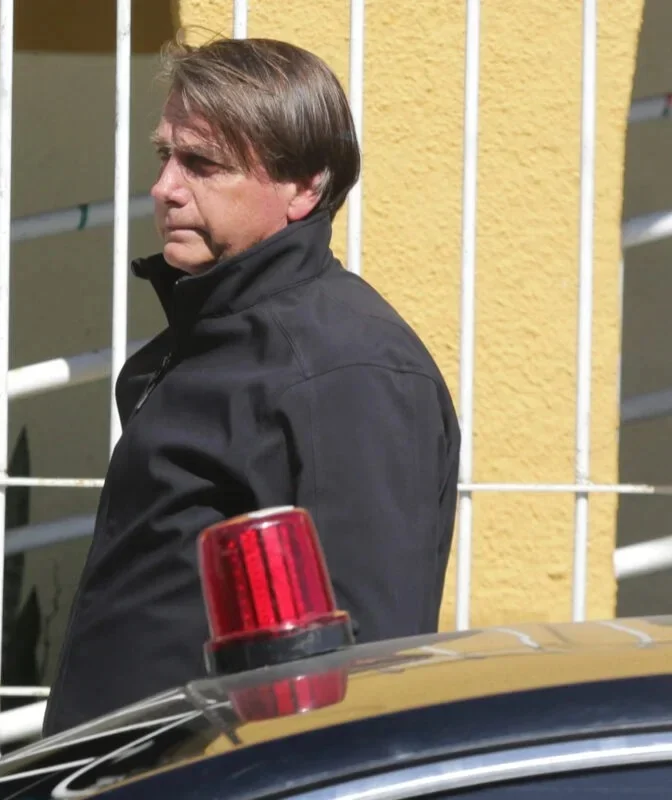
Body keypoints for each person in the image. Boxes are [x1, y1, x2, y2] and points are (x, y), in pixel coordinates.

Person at [42, 36, 461, 736]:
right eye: (165, 156)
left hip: (216, 773)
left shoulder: (346, 369)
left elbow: (366, 667)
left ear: (304, 188)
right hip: (141, 773)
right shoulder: (227, 337)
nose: (166, 188)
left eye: (202, 164)